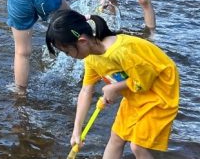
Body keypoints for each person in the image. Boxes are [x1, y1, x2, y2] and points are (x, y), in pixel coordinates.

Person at [46, 9, 179, 158]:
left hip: (160, 92)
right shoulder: (92, 58)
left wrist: (115, 87)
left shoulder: (122, 51)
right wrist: (77, 131)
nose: (69, 57)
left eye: (67, 52)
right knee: (116, 138)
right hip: (136, 93)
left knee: (138, 146)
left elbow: (145, 81)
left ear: (82, 41)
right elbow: (85, 91)